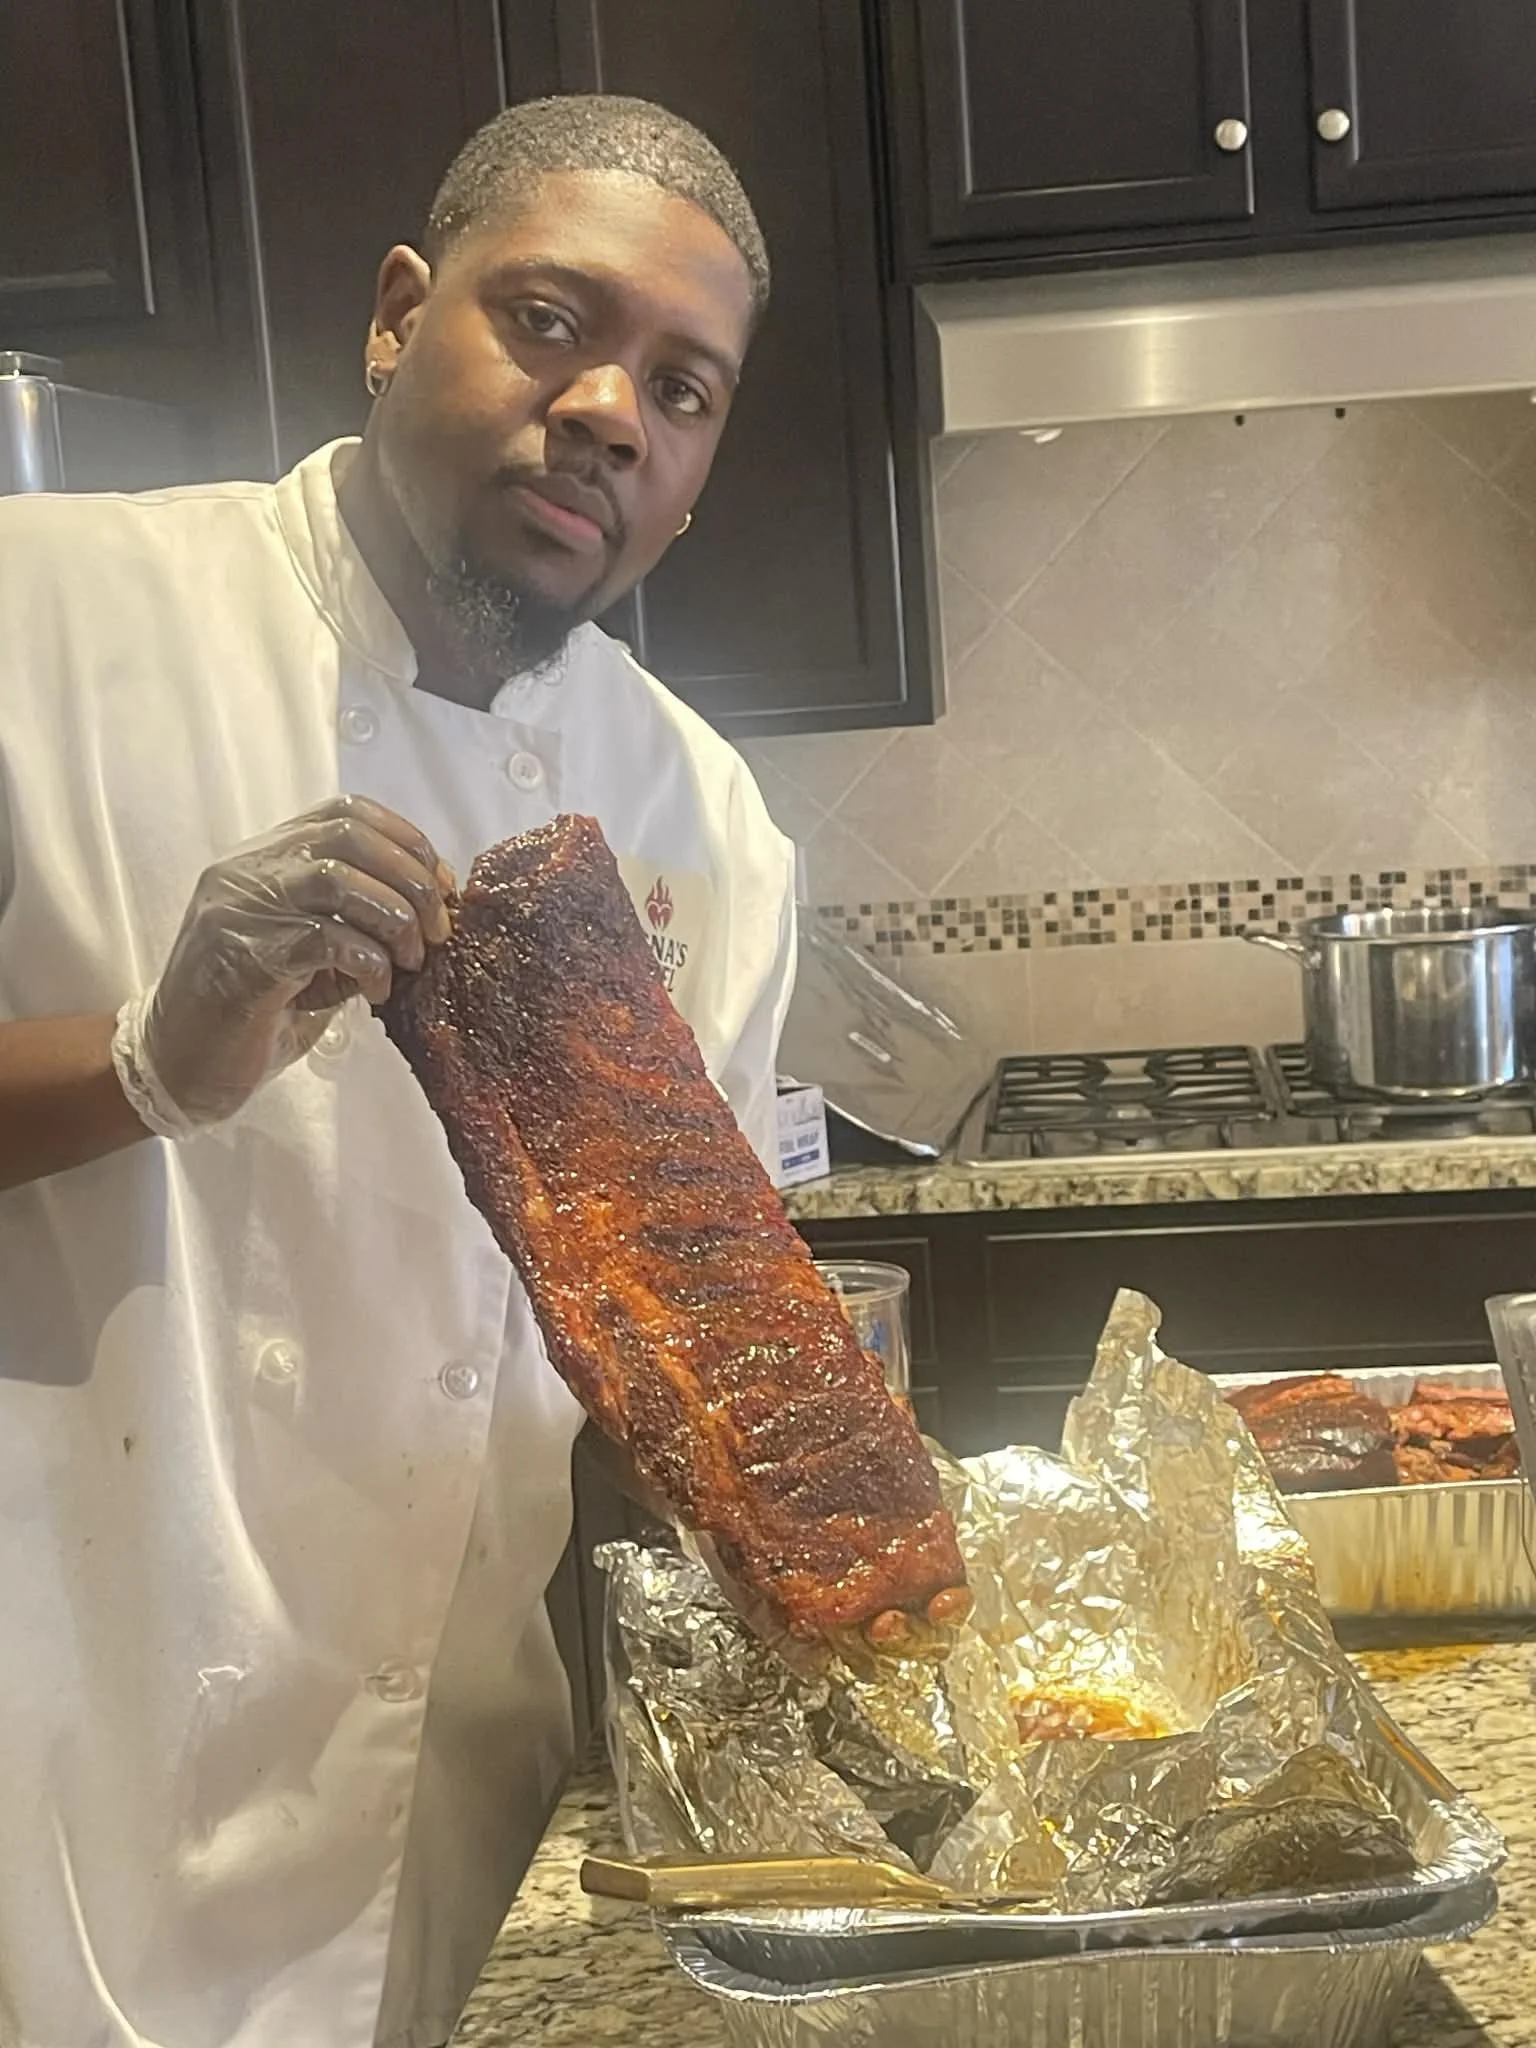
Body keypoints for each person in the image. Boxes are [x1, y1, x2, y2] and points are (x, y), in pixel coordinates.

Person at [0, 95, 794, 2048]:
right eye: (549, 317)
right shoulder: (40, 618)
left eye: (682, 391)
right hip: (54, 1748)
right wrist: (142, 1061)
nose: (612, 409)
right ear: (395, 313)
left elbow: (672, 1366)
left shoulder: (711, 822)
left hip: (440, 1810)